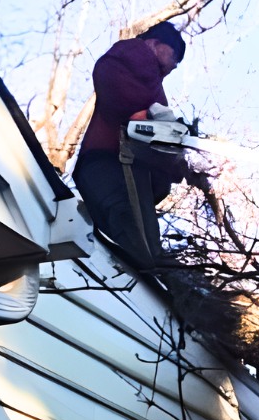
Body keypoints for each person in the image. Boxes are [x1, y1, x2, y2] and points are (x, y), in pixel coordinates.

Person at [73, 21, 198, 268]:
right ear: (154, 44)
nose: (173, 67)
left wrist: (177, 155)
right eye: (174, 58)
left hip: (121, 171)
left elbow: (153, 128)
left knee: (123, 246)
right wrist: (160, 126)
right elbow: (134, 113)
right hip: (109, 166)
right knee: (134, 241)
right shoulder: (129, 58)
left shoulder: (151, 83)